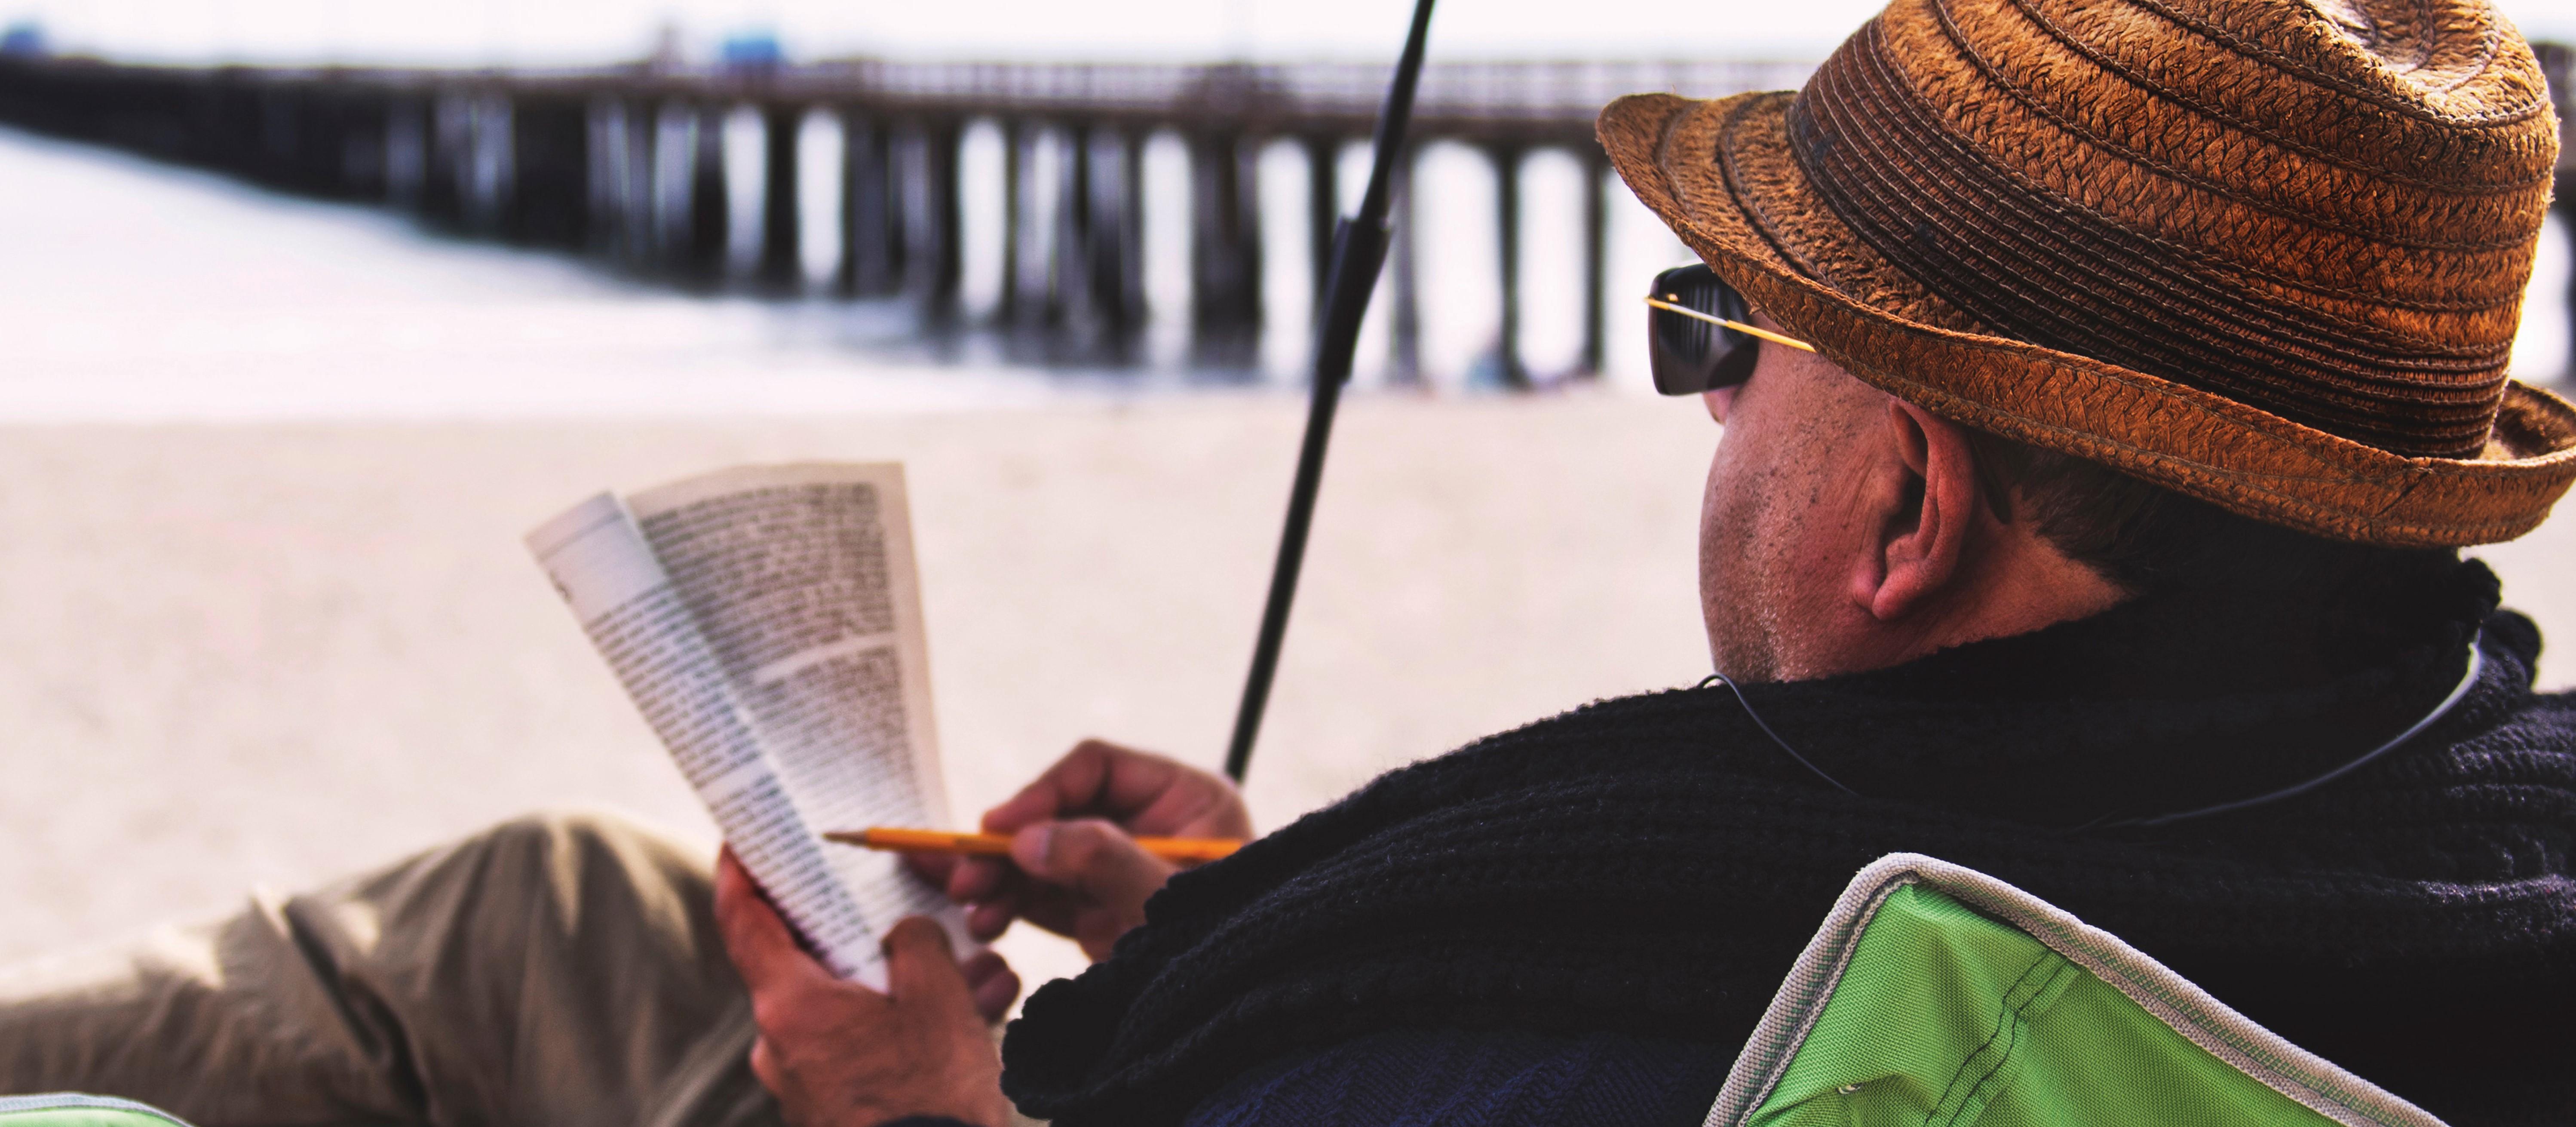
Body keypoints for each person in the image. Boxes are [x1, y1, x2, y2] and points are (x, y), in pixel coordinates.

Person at [7, 0, 2576, 1124]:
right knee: (566, 905)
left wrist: (914, 1102)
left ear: (1901, 508)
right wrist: (1221, 939)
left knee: (469, 956)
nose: (1698, 403)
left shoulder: (1747, 969)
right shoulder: (2454, 876)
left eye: (1718, 335)